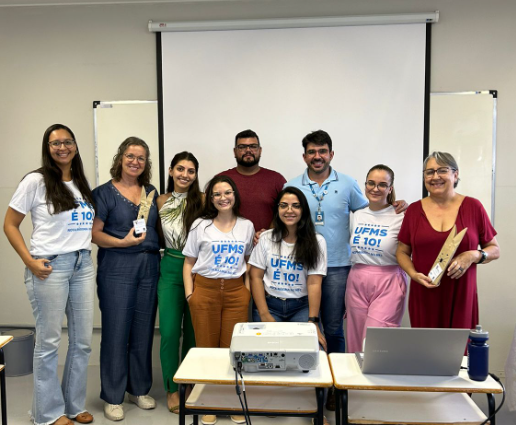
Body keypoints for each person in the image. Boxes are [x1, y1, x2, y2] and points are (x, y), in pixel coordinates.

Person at [286, 130, 407, 410]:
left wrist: (397, 204)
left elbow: (375, 213)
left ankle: (336, 385)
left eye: (322, 151)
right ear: (304, 156)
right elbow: (284, 218)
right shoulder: (291, 185)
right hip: (301, 266)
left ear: (331, 154)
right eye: (312, 152)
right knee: (304, 328)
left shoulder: (348, 184)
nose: (317, 156)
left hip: (339, 267)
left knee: (333, 328)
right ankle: (309, 383)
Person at [4, 124, 95, 425]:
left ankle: (73, 406)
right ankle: (47, 413)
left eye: (67, 141)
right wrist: (29, 261)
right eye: (55, 143)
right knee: (49, 343)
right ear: (47, 148)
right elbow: (10, 224)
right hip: (50, 268)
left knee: (82, 341)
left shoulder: (80, 183)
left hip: (82, 264)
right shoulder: (35, 181)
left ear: (75, 146)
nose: (62, 147)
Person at [92, 137, 160, 421]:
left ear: (146, 163)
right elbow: (95, 234)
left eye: (141, 158)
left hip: (149, 266)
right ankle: (113, 395)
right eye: (130, 156)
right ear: (120, 158)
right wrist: (122, 243)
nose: (135, 162)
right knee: (116, 331)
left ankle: (138, 389)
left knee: (143, 330)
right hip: (117, 266)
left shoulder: (151, 192)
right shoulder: (103, 193)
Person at [396, 151, 500, 329]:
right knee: (426, 345)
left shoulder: (473, 207)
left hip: (462, 296)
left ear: (455, 174)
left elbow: (494, 250)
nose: (435, 177)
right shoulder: (413, 211)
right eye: (429, 172)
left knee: (460, 345)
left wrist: (473, 255)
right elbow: (402, 251)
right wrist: (413, 274)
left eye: (442, 170)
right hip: (424, 294)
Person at [183, 175, 254, 425]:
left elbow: (248, 261)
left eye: (227, 192)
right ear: (211, 199)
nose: (223, 198)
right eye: (217, 194)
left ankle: (231, 401)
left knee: (232, 350)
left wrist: (246, 292)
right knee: (206, 348)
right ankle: (209, 402)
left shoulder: (247, 226)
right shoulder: (200, 225)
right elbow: (188, 263)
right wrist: (190, 295)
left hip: (236, 293)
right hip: (205, 291)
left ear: (235, 195)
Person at [249, 186, 328, 350]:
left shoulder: (317, 241)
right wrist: (264, 314)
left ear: (303, 210)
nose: (289, 210)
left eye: (296, 206)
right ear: (277, 209)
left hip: (302, 307)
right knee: (266, 352)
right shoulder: (266, 238)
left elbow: (314, 283)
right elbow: (255, 277)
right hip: (270, 306)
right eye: (284, 205)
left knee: (313, 351)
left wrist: (313, 321)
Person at [157, 152, 203, 413]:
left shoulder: (204, 200)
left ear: (196, 175)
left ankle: (190, 383)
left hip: (199, 269)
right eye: (180, 169)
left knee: (194, 333)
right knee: (170, 331)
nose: (185, 175)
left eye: (191, 170)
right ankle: (172, 388)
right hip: (171, 267)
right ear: (171, 171)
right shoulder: (160, 201)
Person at [345, 165, 407, 353]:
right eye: (371, 183)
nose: (375, 188)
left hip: (389, 280)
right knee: (355, 340)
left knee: (376, 342)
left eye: (382, 185)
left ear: (390, 188)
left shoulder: (402, 216)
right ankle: (354, 374)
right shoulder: (357, 215)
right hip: (357, 279)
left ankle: (378, 374)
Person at [219, 129, 286, 232]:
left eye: (253, 146)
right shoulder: (221, 180)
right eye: (242, 147)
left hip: (268, 240)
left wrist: (268, 234)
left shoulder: (277, 180)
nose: (248, 150)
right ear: (235, 152)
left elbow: (287, 212)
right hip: (229, 240)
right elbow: (211, 214)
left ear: (260, 150)